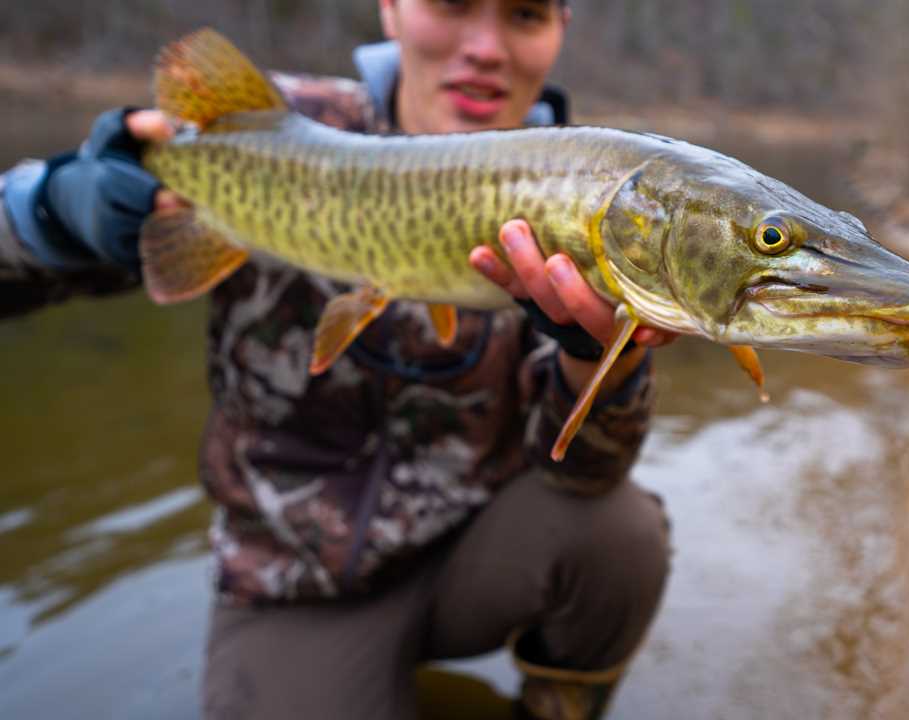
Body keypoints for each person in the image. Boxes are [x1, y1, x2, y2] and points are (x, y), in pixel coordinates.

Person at [0, 1, 677, 718]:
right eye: (451, 3)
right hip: (293, 583)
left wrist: (601, 358)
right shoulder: (272, 119)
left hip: (474, 559)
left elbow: (587, 475)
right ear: (390, 7)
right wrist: (54, 211)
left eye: (524, 14)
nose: (485, 47)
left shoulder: (585, 198)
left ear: (558, 30)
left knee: (621, 536)